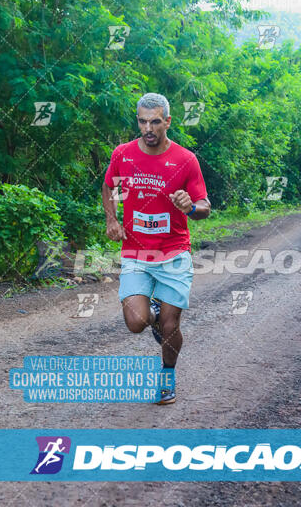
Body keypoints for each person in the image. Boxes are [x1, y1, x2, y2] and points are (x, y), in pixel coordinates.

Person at [102, 93, 211, 404]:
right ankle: (150, 313)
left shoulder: (185, 160)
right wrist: (112, 219)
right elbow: (110, 185)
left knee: (170, 324)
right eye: (142, 121)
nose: (148, 128)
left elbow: (204, 206)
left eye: (155, 121)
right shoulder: (123, 154)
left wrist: (191, 207)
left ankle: (167, 377)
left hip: (174, 253)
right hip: (136, 251)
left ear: (168, 122)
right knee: (136, 321)